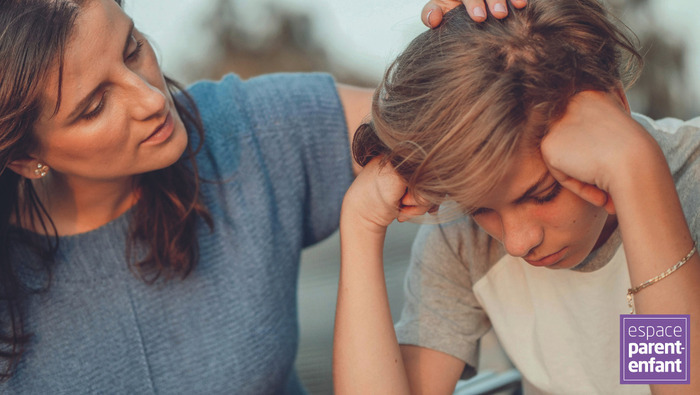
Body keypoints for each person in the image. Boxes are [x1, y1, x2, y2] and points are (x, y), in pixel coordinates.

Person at [0, 0, 525, 392]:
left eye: (133, 49)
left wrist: (492, 35)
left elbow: (483, 105)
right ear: (25, 157)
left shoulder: (247, 130)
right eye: (94, 106)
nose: (151, 99)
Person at [333, 1, 700, 394]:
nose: (516, 241)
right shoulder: (463, 239)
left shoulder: (690, 181)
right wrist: (360, 223)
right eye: (480, 209)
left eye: (543, 194)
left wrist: (637, 173)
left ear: (615, 106)